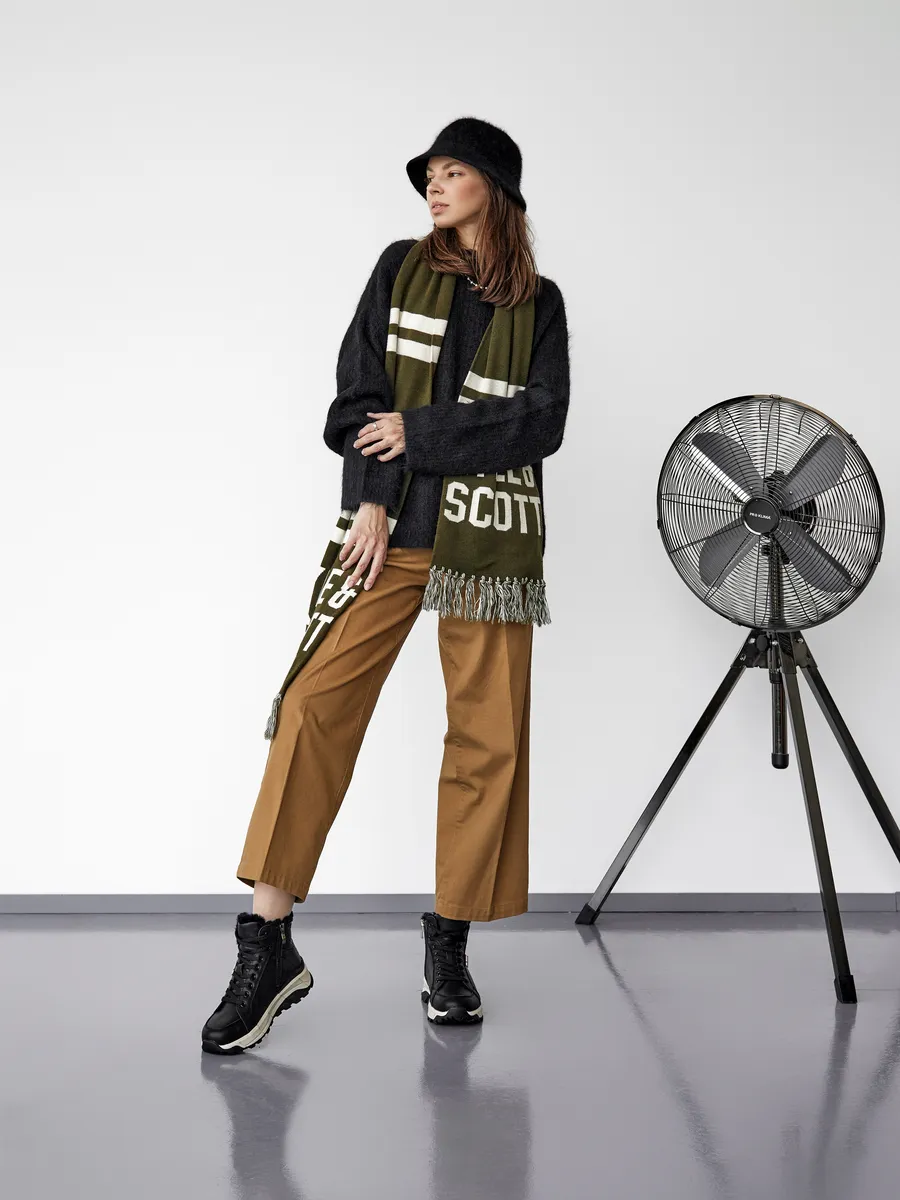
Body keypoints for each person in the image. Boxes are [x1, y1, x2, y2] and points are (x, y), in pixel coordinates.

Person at [201, 117, 571, 1054]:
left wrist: (423, 432)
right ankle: (267, 944)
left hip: (488, 548)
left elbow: (542, 421)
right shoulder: (397, 269)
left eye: (452, 172)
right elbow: (357, 400)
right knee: (313, 705)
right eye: (429, 175)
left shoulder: (540, 303)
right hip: (393, 529)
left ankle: (449, 944)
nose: (434, 187)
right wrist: (370, 497)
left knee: (487, 737)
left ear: (494, 187)